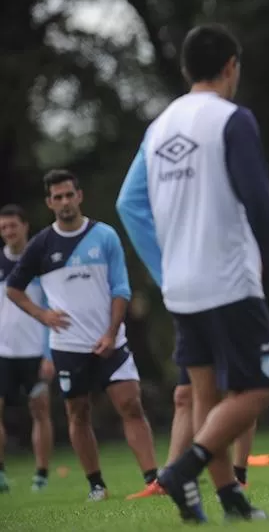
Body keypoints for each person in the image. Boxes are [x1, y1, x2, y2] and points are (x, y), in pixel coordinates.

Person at [115, 23, 269, 522]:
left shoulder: (159, 128)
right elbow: (257, 200)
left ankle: (228, 500)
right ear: (231, 67)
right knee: (260, 389)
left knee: (205, 397)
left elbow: (132, 203)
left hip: (180, 285)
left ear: (185, 69)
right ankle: (182, 469)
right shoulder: (230, 119)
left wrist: (165, 263)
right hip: (228, 279)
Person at [5, 170, 159, 501]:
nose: (64, 202)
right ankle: (96, 485)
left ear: (80, 196)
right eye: (57, 197)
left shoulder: (105, 236)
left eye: (68, 195)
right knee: (78, 412)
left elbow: (121, 289)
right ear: (49, 203)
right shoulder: (41, 245)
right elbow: (14, 289)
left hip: (111, 341)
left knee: (131, 404)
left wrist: (111, 332)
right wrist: (42, 314)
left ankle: (153, 480)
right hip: (68, 346)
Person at [0, 204, 54, 493]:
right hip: (3, 353)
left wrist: (49, 354)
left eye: (13, 226)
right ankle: (1, 474)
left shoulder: (39, 263)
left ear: (25, 226)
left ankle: (41, 475)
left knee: (40, 412)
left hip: (35, 351)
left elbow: (50, 308)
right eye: (3, 227)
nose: (9, 232)